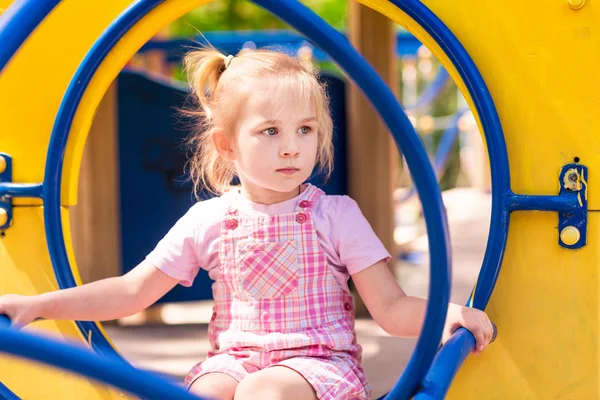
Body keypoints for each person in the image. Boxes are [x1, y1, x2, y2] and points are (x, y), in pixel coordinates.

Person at [0, 48, 494, 400]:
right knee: (213, 389)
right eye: (270, 131)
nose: (291, 147)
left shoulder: (335, 215)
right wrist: (38, 306)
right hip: (233, 363)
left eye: (305, 130)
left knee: (265, 391)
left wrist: (448, 314)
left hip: (318, 368)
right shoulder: (209, 220)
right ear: (227, 145)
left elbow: (389, 308)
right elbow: (131, 292)